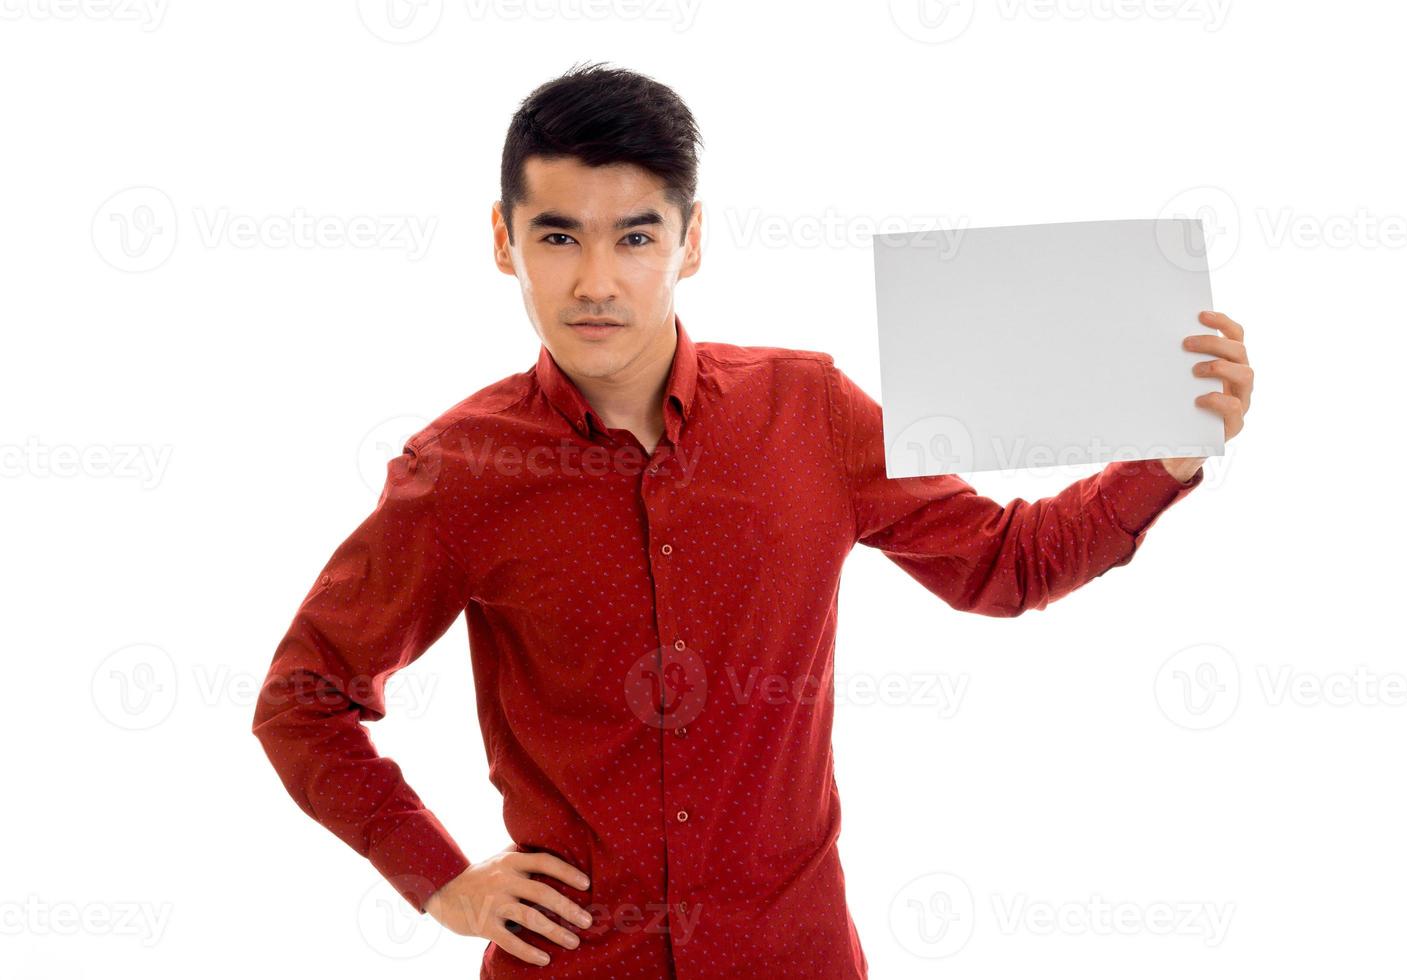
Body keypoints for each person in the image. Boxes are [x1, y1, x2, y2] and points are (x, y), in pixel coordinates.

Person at [250, 60, 1253, 978]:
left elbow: (1007, 563)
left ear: (690, 242)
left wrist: (1163, 457)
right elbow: (302, 696)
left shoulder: (810, 414)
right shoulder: (461, 471)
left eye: (636, 235)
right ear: (505, 240)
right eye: (559, 235)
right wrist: (443, 879)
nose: (596, 280)